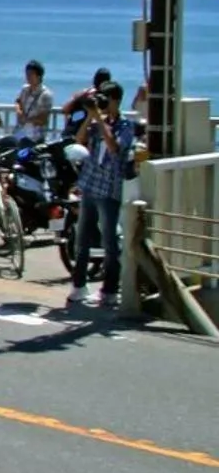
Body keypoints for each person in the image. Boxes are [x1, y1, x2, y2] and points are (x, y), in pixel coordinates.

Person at [70, 81, 135, 305]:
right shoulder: (98, 121)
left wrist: (99, 119)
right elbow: (79, 140)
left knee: (109, 242)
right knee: (82, 239)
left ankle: (109, 290)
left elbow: (115, 148)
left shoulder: (126, 125)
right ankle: (79, 286)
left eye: (106, 99)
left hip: (109, 189)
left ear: (116, 100)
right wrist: (90, 116)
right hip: (90, 184)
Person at [14, 61, 53, 144]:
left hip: (36, 137)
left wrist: (27, 119)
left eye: (31, 74)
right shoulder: (25, 89)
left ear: (39, 76)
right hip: (21, 132)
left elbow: (43, 119)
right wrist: (19, 112)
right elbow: (18, 101)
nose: (28, 77)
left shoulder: (46, 94)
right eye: (27, 74)